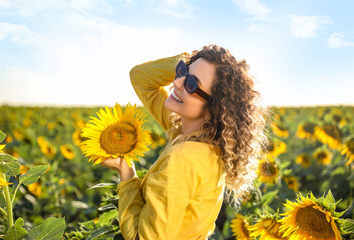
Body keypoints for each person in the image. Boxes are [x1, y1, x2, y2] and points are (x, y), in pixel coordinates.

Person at [100, 44, 270, 239]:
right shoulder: (195, 136)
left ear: (214, 107)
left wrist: (127, 174)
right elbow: (140, 76)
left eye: (191, 84)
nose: (177, 83)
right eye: (181, 71)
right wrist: (192, 60)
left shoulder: (184, 157)